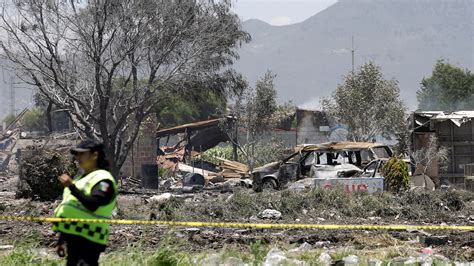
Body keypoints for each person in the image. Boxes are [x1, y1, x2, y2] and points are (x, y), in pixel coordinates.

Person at [52, 140, 118, 266]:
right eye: (76, 154)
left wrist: (71, 186)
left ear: (95, 155)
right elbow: (72, 210)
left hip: (90, 238)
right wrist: (62, 240)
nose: (78, 158)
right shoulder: (81, 178)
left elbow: (93, 205)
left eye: (82, 154)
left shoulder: (103, 180)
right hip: (74, 238)